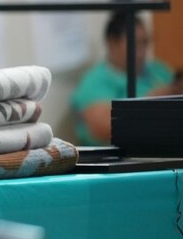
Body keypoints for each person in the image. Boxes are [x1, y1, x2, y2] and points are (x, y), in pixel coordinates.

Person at [71, 10, 180, 145]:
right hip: (116, 161)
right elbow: (103, 127)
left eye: (145, 43)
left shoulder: (159, 71)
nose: (141, 52)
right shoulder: (93, 83)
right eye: (135, 44)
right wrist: (152, 103)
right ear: (112, 43)